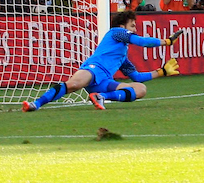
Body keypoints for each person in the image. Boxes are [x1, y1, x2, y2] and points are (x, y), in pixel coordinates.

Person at [22, 10, 181, 111]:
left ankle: (102, 96)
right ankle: (36, 104)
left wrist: (162, 72)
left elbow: (137, 77)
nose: (134, 29)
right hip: (93, 69)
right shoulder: (116, 32)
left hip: (104, 81)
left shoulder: (122, 55)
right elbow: (141, 41)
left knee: (140, 89)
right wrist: (166, 41)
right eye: (132, 26)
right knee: (74, 85)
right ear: (122, 25)